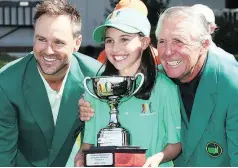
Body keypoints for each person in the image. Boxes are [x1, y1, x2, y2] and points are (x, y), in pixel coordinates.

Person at [78, 6, 238, 167]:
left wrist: (158, 158)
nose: (168, 52)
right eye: (162, 41)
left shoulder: (228, 84)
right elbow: (88, 144)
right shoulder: (106, 87)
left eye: (178, 41)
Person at [0, 0, 102, 166]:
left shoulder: (95, 77)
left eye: (58, 42)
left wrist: (96, 112)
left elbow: (103, 138)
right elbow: (2, 156)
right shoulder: (5, 83)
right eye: (41, 39)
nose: (48, 50)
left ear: (77, 43)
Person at [75, 7, 181, 167]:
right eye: (109, 40)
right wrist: (80, 159)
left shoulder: (165, 88)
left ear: (144, 42)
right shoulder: (97, 90)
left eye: (124, 39)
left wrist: (158, 157)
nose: (116, 48)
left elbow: (175, 144)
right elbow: (87, 144)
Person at [97, 0, 160, 65]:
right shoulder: (105, 57)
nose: (115, 49)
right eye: (109, 40)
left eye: (124, 39)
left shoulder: (156, 58)